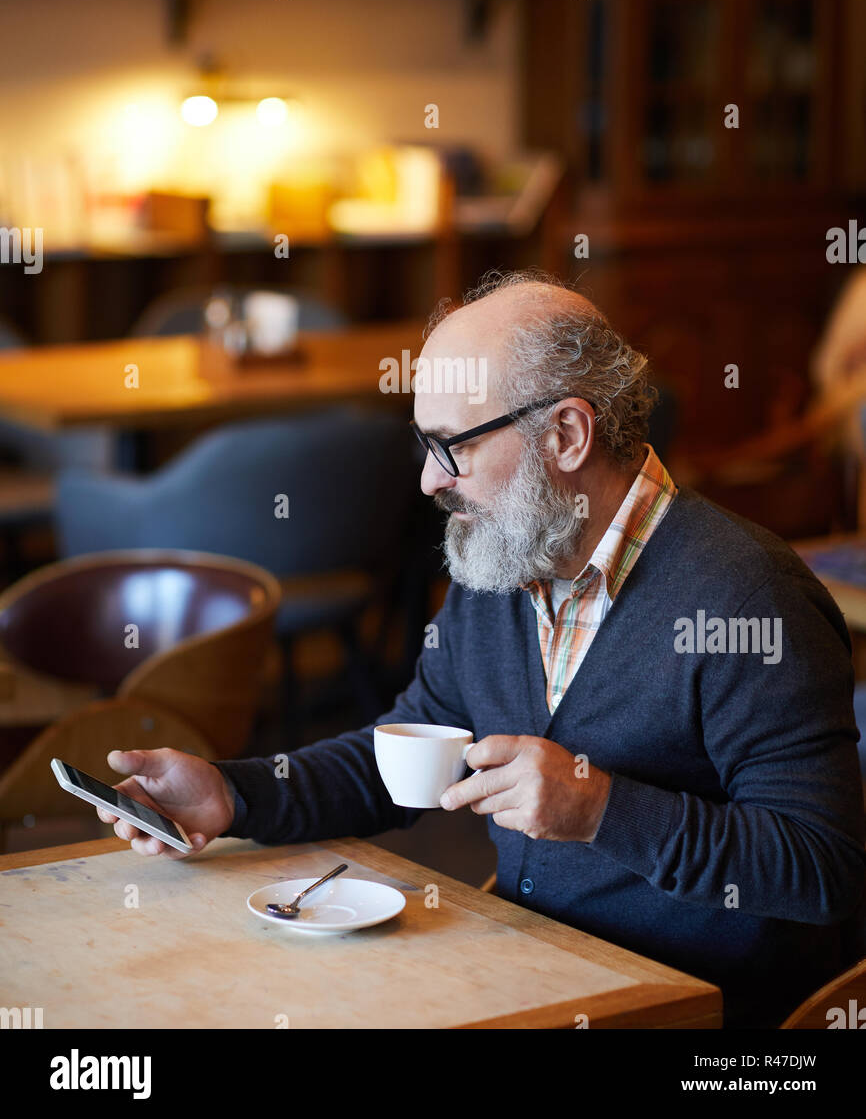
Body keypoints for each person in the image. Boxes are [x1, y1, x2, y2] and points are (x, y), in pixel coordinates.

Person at [96, 269, 866, 1029]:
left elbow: (823, 868)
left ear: (566, 434)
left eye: (451, 446)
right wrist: (234, 795)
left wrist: (600, 807)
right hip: (532, 974)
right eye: (423, 446)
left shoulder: (749, 599)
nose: (431, 481)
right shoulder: (503, 556)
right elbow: (404, 755)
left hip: (697, 1015)